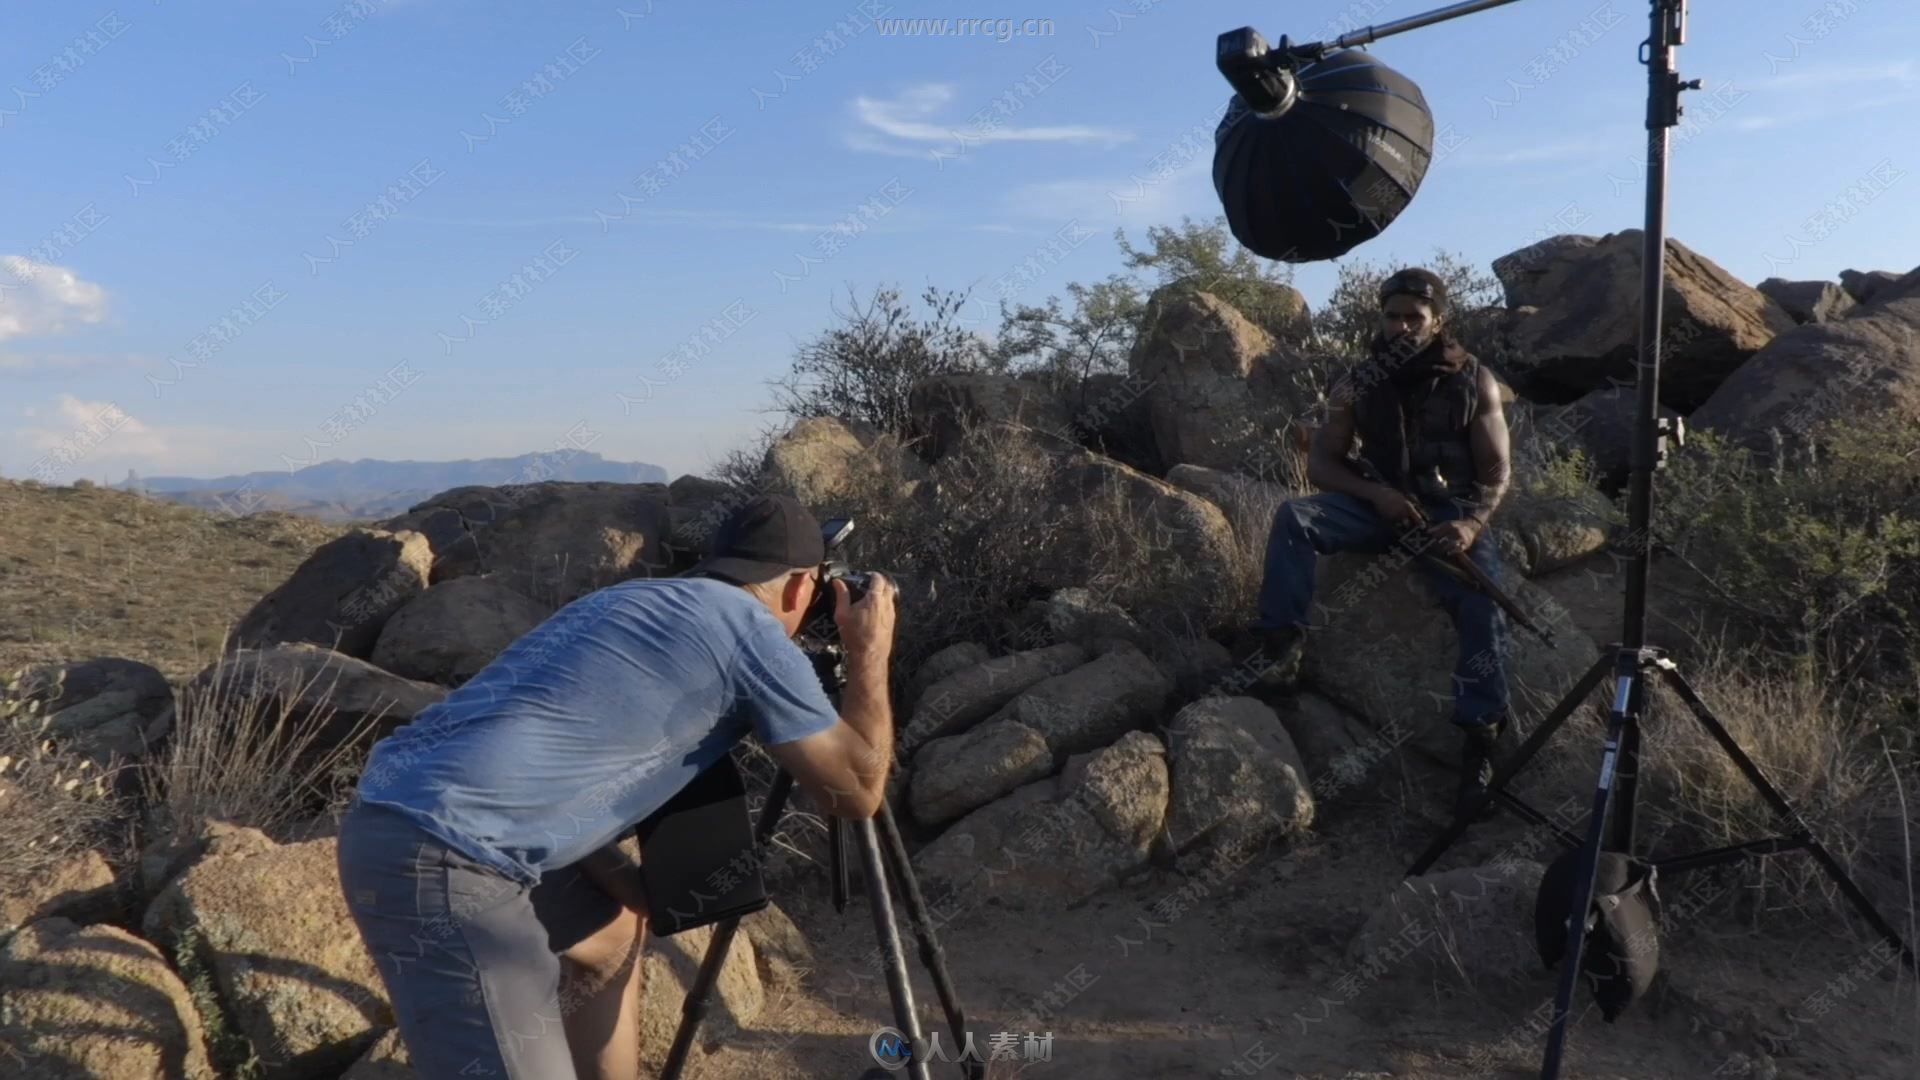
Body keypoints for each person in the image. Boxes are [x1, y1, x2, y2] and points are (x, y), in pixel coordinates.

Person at [334, 493, 898, 1079]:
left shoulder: (624, 601)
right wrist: (870, 650)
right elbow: (855, 791)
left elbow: (528, 762)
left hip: (402, 813)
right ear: (801, 586)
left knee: (610, 940)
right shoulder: (751, 632)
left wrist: (633, 884)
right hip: (450, 861)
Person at [1247, 267, 1515, 818]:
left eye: (1414, 317)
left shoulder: (1475, 379)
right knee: (1295, 519)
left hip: (1448, 518)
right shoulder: (1357, 380)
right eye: (1392, 316)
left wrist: (1469, 525)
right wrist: (1375, 493)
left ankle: (1479, 744)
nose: (1401, 327)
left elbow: (1497, 471)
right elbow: (1323, 461)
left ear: (1437, 320)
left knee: (1482, 602)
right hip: (1382, 509)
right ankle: (1279, 653)